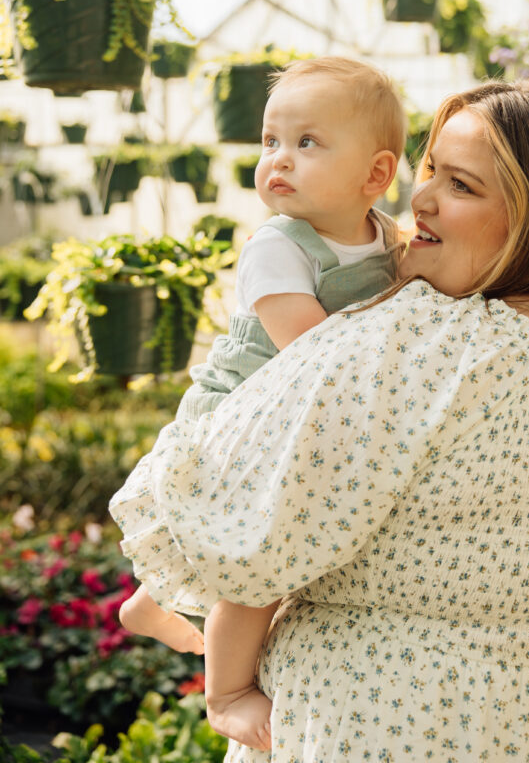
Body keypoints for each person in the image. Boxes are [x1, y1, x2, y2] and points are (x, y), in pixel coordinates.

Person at [111, 73, 529, 762]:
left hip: (384, 723)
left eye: (461, 186)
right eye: (429, 171)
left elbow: (238, 535)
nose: (422, 199)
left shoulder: (420, 341)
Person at [115, 55, 406, 749]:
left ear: (374, 175)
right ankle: (228, 692)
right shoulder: (277, 246)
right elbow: (311, 351)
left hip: (291, 421)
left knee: (232, 546)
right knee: (253, 561)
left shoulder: (384, 234)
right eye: (271, 141)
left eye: (307, 143)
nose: (278, 159)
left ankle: (148, 602)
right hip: (237, 419)